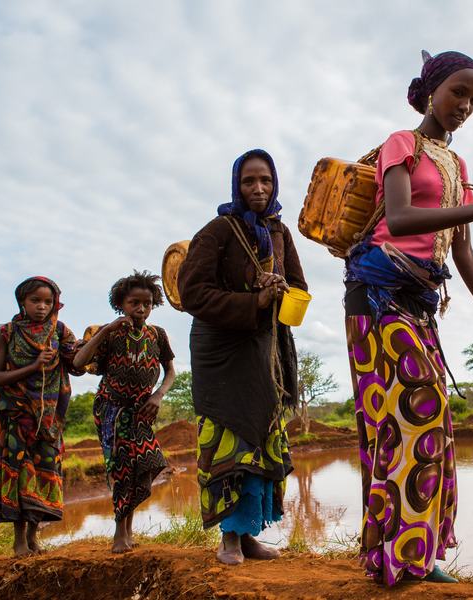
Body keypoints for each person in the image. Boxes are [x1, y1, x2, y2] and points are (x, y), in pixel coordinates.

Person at [345, 50, 473, 586]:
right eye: (459, 91)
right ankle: (395, 553)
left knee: (435, 425)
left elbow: (462, 254)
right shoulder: (401, 144)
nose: (466, 105)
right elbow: (400, 216)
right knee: (413, 413)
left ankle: (418, 550)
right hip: (377, 293)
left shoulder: (458, 167)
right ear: (433, 89)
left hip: (421, 303)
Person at [178, 149, 307, 565]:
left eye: (265, 180)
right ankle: (228, 539)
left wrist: (280, 289)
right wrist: (253, 300)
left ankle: (248, 535)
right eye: (249, 181)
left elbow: (299, 284)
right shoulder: (218, 230)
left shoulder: (281, 232)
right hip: (222, 351)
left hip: (263, 348)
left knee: (262, 438)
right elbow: (193, 293)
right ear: (237, 184)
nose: (258, 188)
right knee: (230, 440)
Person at [73, 270, 175, 553]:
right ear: (121, 304)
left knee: (148, 463)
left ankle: (127, 529)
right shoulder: (111, 333)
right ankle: (121, 534)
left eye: (147, 303)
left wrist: (158, 396)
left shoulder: (158, 335)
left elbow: (170, 372)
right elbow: (80, 360)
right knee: (121, 470)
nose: (141, 308)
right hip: (112, 410)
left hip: (142, 412)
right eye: (134, 303)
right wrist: (105, 330)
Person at [0, 276, 83, 557]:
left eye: (48, 302)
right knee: (18, 475)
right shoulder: (5, 334)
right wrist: (32, 366)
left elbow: (76, 364)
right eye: (35, 301)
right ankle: (19, 542)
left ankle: (33, 537)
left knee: (44, 474)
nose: (42, 307)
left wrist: (93, 342)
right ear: (22, 302)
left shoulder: (60, 331)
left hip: (49, 420)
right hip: (16, 416)